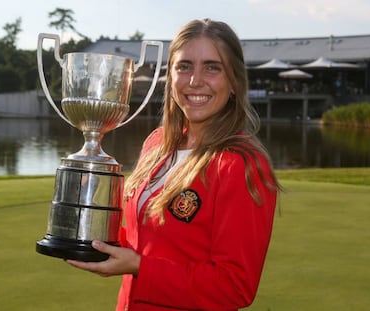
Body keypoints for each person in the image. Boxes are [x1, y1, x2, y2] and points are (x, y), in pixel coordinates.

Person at [67, 18, 281, 311]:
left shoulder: (240, 165)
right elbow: (142, 242)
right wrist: (87, 231)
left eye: (212, 67)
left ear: (234, 82)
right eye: (184, 66)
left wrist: (141, 267)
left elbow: (235, 287)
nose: (195, 80)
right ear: (171, 77)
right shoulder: (157, 144)